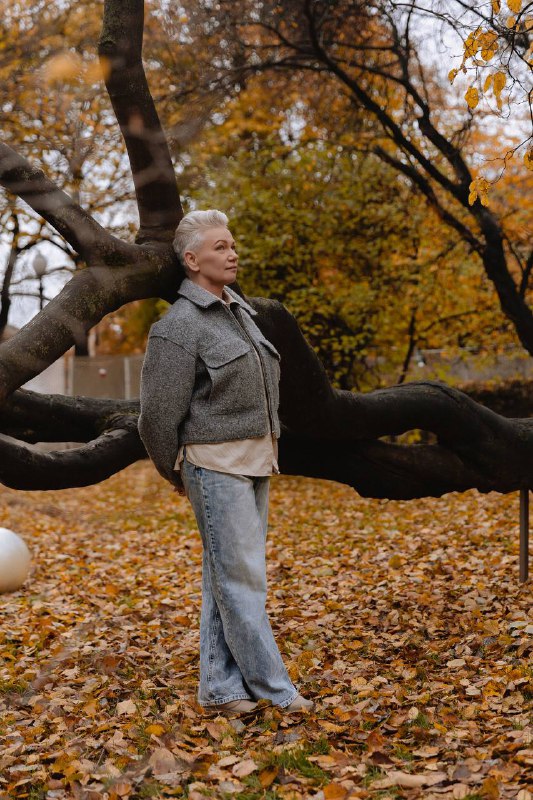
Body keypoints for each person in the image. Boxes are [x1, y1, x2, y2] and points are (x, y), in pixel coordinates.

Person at [138, 209, 314, 715]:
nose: (232, 253)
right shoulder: (178, 328)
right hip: (213, 465)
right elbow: (156, 415)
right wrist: (170, 469)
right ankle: (275, 690)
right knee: (243, 580)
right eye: (219, 247)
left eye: (232, 244)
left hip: (256, 459)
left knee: (225, 577)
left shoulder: (240, 314)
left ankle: (219, 689)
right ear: (192, 260)